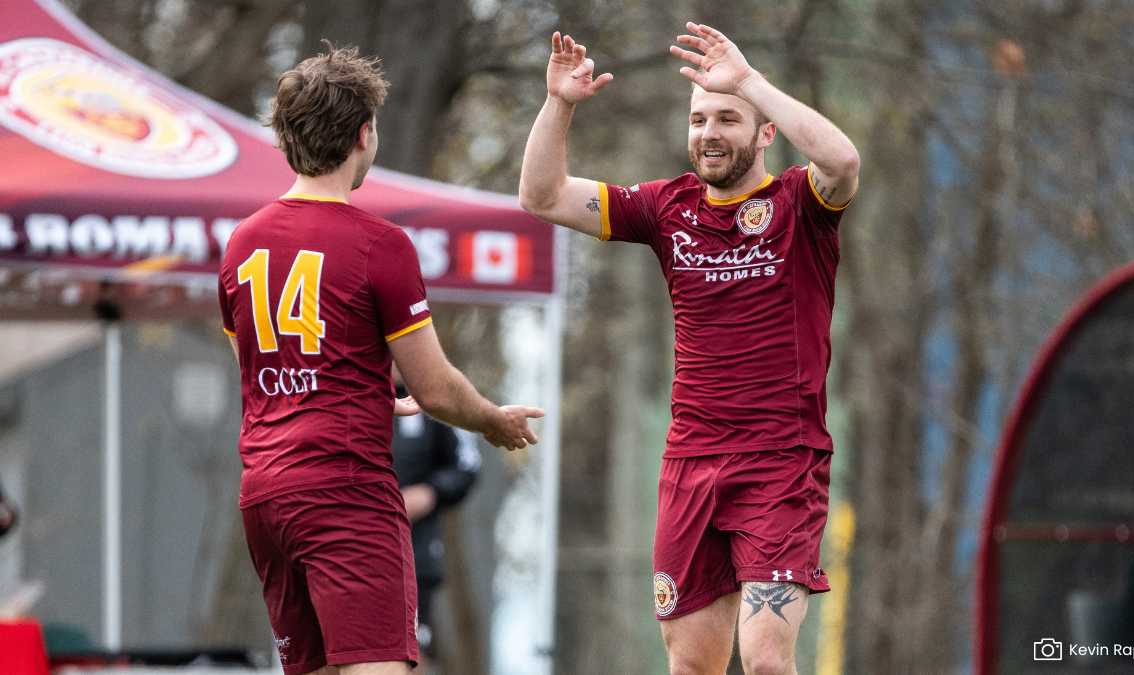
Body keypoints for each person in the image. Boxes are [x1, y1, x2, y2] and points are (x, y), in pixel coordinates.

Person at [518, 22, 860, 675]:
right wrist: (559, 103)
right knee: (693, 666)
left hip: (780, 463)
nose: (709, 131)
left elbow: (843, 161)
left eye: (729, 118)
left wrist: (751, 82)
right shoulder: (664, 208)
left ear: (764, 134)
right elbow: (541, 195)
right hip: (692, 465)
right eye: (699, 118)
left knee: (764, 661)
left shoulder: (800, 203)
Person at [218, 44, 543, 675]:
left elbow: (256, 363)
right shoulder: (379, 244)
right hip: (344, 491)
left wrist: (358, 385)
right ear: (364, 134)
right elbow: (439, 390)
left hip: (266, 495)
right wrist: (494, 421)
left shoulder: (242, 240)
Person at [389, 368, 482, 672]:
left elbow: (467, 465)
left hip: (415, 553)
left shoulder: (435, 399)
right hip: (350, 548)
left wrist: (430, 492)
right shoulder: (347, 392)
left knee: (410, 649)